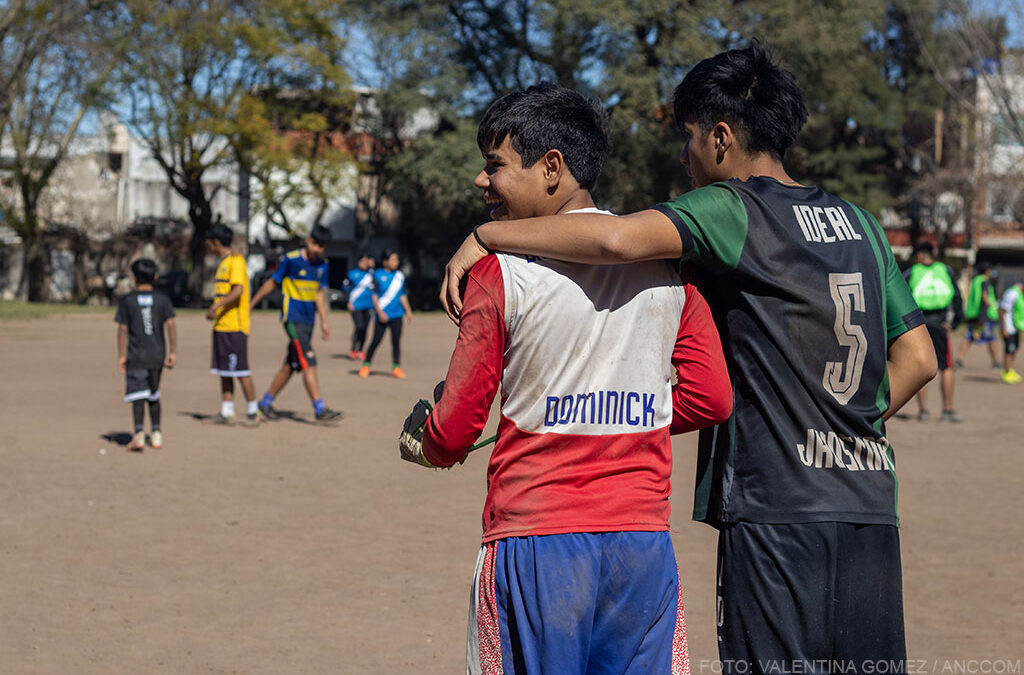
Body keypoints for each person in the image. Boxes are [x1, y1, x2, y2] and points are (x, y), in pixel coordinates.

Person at [440, 45, 937, 673]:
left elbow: (616, 238)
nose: (685, 154)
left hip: (777, 507)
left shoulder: (733, 207)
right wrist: (838, 424)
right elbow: (918, 358)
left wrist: (486, 236)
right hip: (868, 503)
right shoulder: (862, 224)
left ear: (723, 137)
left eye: (691, 136)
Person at [400, 82, 732, 674]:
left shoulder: (497, 271)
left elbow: (454, 431)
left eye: (494, 166)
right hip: (641, 548)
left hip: (534, 544)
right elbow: (710, 396)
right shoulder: (671, 268)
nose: (482, 182)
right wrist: (623, 413)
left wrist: (424, 442)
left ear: (551, 167)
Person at [250, 225, 342, 422]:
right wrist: (251, 304)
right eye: (315, 244)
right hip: (292, 319)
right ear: (308, 240)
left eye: (322, 246)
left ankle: (265, 404)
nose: (318, 249)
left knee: (291, 365)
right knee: (308, 360)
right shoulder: (291, 260)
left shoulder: (323, 265)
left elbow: (319, 294)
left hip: (309, 322)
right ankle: (320, 409)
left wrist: (324, 322)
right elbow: (271, 283)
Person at [115, 258, 177, 450]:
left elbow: (122, 330)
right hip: (157, 355)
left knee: (138, 395)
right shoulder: (163, 300)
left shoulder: (127, 301)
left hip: (136, 356)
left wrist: (121, 355)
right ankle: (157, 433)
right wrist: (173, 351)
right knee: (153, 394)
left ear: (134, 278)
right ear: (156, 277)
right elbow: (171, 325)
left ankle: (139, 433)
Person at [904, 241, 965, 422]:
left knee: (921, 366)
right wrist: (955, 322)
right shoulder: (945, 270)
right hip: (940, 322)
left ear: (919, 255)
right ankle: (947, 409)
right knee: (946, 366)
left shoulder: (911, 272)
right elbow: (957, 296)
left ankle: (924, 410)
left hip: (918, 322)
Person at [205, 224, 259, 425]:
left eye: (210, 243)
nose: (208, 246)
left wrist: (216, 306)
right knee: (224, 370)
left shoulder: (236, 261)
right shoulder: (223, 263)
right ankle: (227, 411)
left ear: (216, 242)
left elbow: (237, 290)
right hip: (221, 326)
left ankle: (254, 410)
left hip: (235, 326)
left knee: (240, 370)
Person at [358, 250, 412, 379]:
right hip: (382, 315)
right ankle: (366, 365)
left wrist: (408, 311)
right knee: (375, 341)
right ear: (385, 261)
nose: (396, 262)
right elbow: (374, 296)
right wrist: (379, 312)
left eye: (397, 259)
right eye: (393, 259)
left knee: (396, 342)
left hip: (397, 315)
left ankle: (396, 367)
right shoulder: (377, 275)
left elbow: (403, 296)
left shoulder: (399, 276)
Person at [956, 261, 1000, 369]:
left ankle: (959, 359)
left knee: (969, 337)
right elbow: (984, 296)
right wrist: (993, 305)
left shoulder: (975, 281)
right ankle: (996, 362)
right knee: (991, 339)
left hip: (974, 314)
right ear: (987, 271)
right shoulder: (984, 281)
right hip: (984, 315)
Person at [344, 253, 375, 360]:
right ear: (359, 262)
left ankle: (361, 350)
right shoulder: (352, 274)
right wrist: (348, 302)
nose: (365, 264)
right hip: (356, 305)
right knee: (359, 326)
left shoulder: (371, 274)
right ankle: (353, 349)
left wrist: (372, 267)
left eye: (367, 261)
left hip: (368, 305)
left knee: (365, 328)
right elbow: (346, 288)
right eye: (363, 261)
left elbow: (378, 285)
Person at [998, 280, 1024, 383]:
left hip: (1015, 328)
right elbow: (1002, 310)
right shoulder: (1012, 293)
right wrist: (1004, 327)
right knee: (1009, 350)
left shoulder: (1020, 294)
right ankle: (1006, 372)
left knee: (1015, 348)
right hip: (1008, 327)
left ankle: (1011, 369)